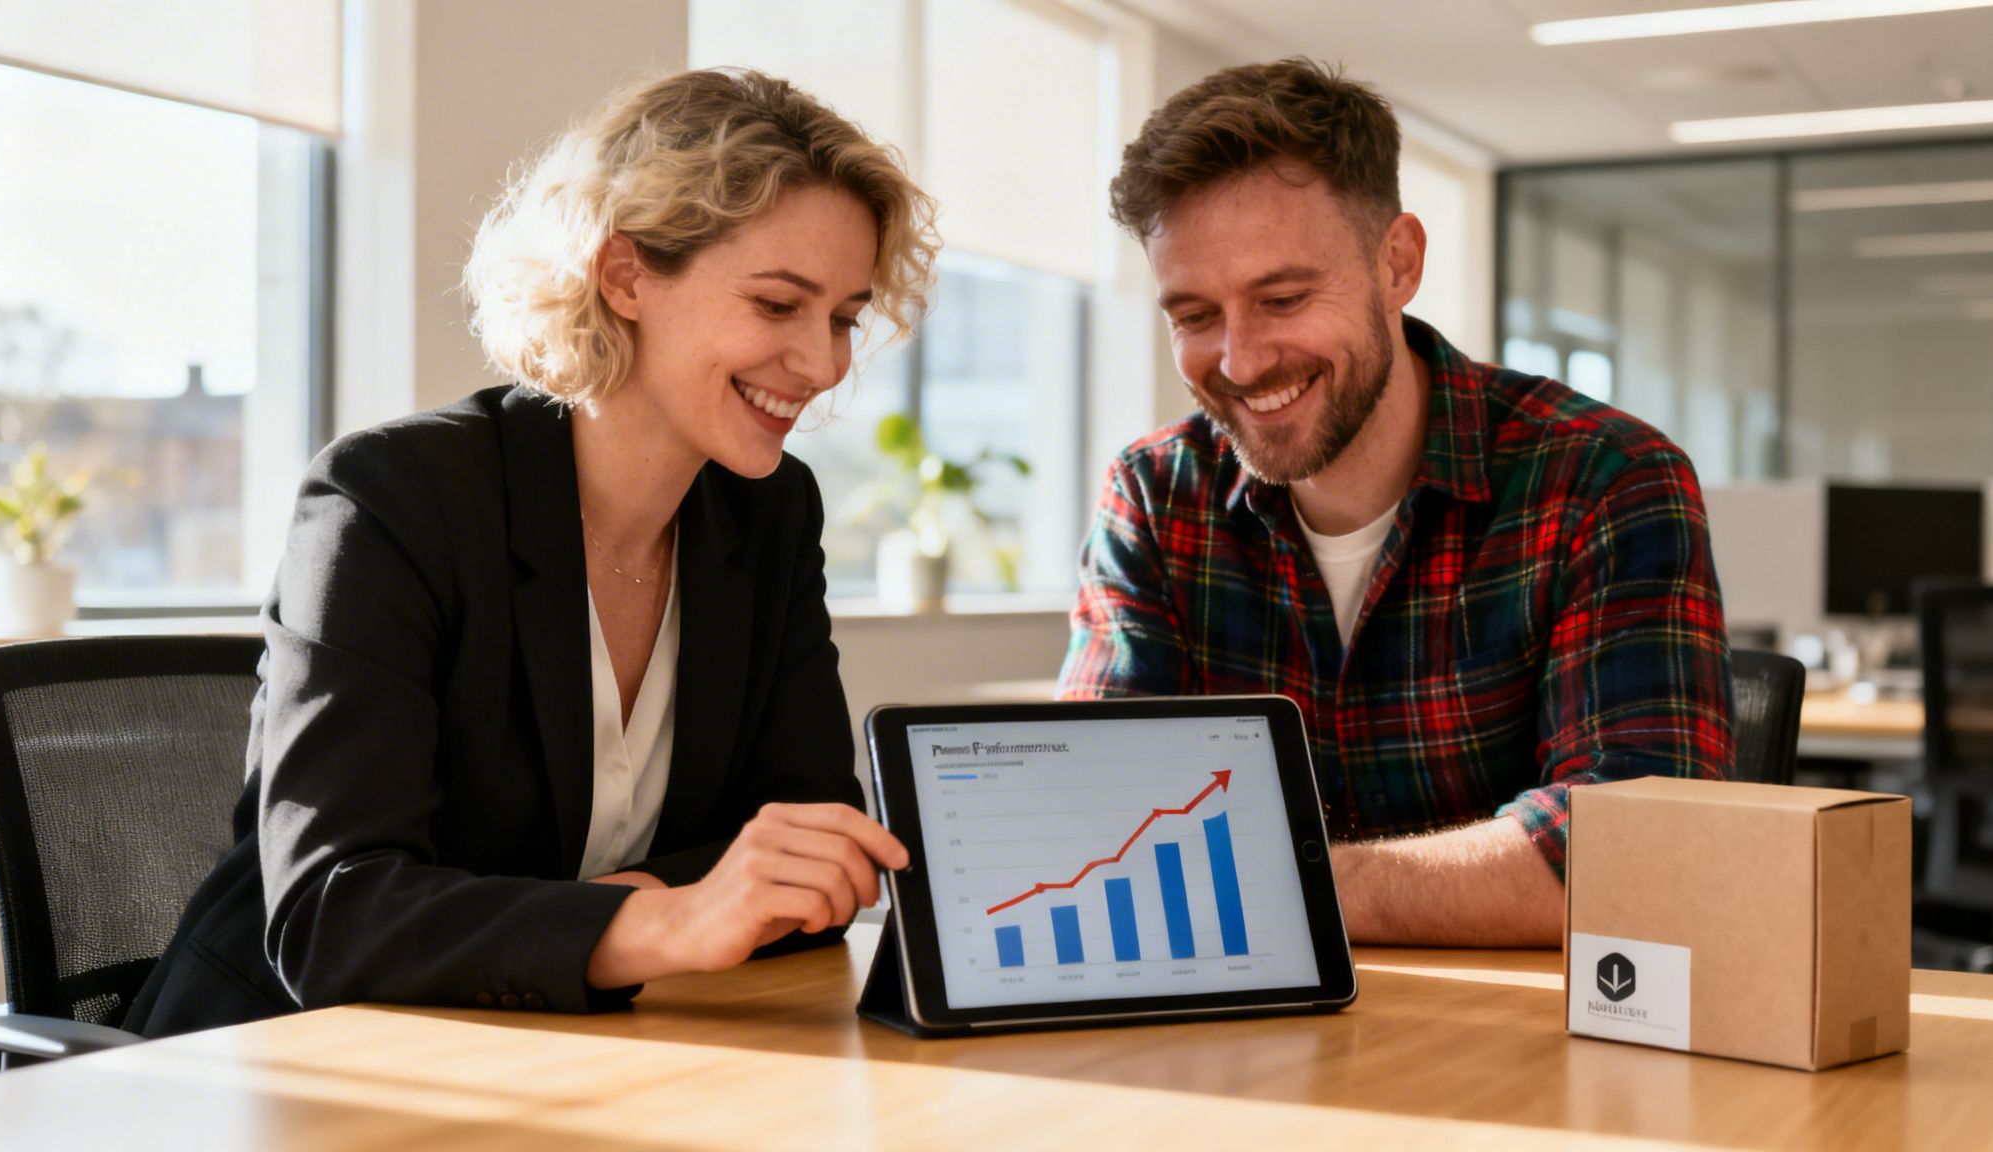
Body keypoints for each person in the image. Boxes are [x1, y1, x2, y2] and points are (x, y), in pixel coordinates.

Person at [126, 69, 934, 1036]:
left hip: (564, 1050)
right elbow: (335, 914)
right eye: (776, 305)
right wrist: (664, 914)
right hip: (275, 1066)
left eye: (843, 317)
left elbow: (813, 856)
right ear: (626, 275)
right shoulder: (394, 498)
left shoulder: (766, 514)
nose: (825, 364)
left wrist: (637, 913)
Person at [1058, 59, 1731, 947]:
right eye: (1193, 315)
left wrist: (1289, 879)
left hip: (1526, 1051)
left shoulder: (1604, 478)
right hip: (1240, 1046)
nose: (1242, 359)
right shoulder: (1155, 495)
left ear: (1397, 264)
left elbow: (1643, 854)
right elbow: (1090, 818)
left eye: (1284, 297)